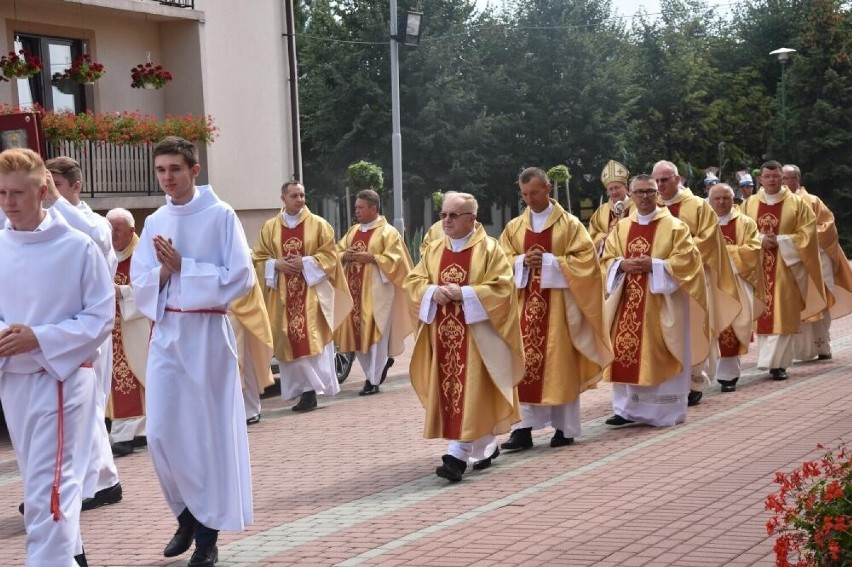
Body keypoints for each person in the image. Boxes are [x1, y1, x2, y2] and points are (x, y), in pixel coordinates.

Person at [130, 136, 254, 567]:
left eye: (175, 169)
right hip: (167, 331)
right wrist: (164, 273)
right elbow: (140, 281)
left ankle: (206, 537)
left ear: (194, 171)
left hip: (206, 334)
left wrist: (187, 268)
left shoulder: (221, 216)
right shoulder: (156, 220)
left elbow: (241, 277)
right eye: (161, 170)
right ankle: (185, 513)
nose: (167, 178)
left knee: (206, 437)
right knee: (162, 433)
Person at [0, 148, 114, 567]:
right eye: (1, 193)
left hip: (61, 380)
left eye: (17, 192)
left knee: (52, 491)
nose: (9, 202)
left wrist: (40, 339)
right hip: (14, 380)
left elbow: (101, 317)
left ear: (42, 190)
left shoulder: (76, 247)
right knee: (38, 486)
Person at [404, 192, 523, 482]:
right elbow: (414, 282)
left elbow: (504, 289)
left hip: (478, 340)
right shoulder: (434, 249)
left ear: (472, 218)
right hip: (443, 337)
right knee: (459, 396)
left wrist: (465, 293)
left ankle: (456, 457)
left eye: (454, 215)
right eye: (443, 214)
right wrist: (432, 292)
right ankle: (484, 447)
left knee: (473, 393)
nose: (446, 221)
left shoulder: (490, 249)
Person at [498, 168, 612, 451]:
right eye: (524, 194)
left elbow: (587, 264)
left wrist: (550, 262)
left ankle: (565, 428)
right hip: (525, 308)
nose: (529, 199)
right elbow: (500, 262)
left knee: (561, 366)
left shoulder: (570, 225)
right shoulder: (514, 227)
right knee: (523, 365)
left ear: (548, 188)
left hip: (560, 309)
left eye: (534, 192)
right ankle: (523, 429)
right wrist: (523, 261)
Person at [600, 174, 709, 427]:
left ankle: (664, 411)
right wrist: (621, 264)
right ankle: (625, 410)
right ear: (631, 194)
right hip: (627, 300)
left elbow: (688, 262)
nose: (645, 197)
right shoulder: (623, 227)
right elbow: (607, 259)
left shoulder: (674, 226)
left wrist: (656, 265)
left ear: (657, 194)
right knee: (624, 350)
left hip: (661, 302)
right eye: (639, 192)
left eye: (650, 191)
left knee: (661, 350)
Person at [45, 156, 122, 511]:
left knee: (88, 402)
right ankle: (83, 481)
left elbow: (92, 239)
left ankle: (103, 481)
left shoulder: (96, 222)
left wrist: (54, 201)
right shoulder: (46, 223)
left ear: (75, 186)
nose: (48, 192)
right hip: (59, 329)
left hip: (92, 328)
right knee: (64, 408)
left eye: (56, 186)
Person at [252, 181, 352, 412]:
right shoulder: (270, 227)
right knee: (288, 339)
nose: (300, 199)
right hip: (282, 297)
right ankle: (300, 390)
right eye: (295, 195)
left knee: (311, 340)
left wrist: (305, 262)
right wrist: (276, 264)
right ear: (283, 199)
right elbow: (258, 259)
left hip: (311, 296)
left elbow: (330, 256)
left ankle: (311, 391)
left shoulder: (319, 225)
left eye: (302, 195)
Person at [652, 160, 740, 406]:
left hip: (693, 278)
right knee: (664, 331)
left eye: (665, 179)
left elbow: (709, 240)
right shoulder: (652, 207)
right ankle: (666, 381)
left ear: (678, 179)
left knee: (691, 328)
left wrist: (675, 257)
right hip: (660, 279)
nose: (661, 185)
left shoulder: (699, 206)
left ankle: (694, 382)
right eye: (657, 180)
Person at [740, 160, 825, 380]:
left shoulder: (797, 204)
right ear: (760, 179)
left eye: (776, 176)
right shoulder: (749, 204)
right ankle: (768, 360)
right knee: (763, 312)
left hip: (786, 267)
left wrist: (780, 240)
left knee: (783, 313)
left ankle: (779, 365)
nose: (772, 180)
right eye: (767, 177)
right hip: (758, 267)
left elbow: (808, 235)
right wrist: (760, 239)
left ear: (782, 178)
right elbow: (741, 232)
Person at [335, 189, 414, 396]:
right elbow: (337, 251)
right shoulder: (352, 231)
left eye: (361, 208)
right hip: (354, 294)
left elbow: (398, 261)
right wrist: (346, 255)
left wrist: (373, 258)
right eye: (356, 208)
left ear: (373, 208)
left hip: (378, 295)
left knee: (377, 336)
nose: (357, 211)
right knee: (358, 338)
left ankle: (373, 380)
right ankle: (374, 372)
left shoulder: (388, 232)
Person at [782, 164, 852, 361]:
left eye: (787, 178)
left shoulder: (813, 201)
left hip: (815, 260)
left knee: (819, 300)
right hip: (788, 260)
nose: (784, 182)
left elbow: (827, 226)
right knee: (791, 303)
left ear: (797, 179)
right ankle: (795, 351)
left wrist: (802, 240)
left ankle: (822, 345)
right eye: (782, 178)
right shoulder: (777, 204)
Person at [707, 184, 764, 392]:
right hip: (708, 283)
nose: (721, 202)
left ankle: (728, 376)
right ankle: (702, 375)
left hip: (735, 283)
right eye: (717, 199)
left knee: (730, 325)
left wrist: (721, 254)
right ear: (709, 200)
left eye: (725, 198)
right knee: (707, 325)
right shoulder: (703, 223)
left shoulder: (745, 223)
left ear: (733, 200)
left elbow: (752, 250)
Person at [105, 208, 149, 457]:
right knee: (119, 379)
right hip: (112, 328)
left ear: (132, 231)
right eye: (109, 230)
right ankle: (129, 431)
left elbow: (152, 284)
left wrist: (122, 292)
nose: (113, 236)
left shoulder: (144, 253)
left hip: (137, 325)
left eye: (117, 230)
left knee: (138, 377)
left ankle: (131, 432)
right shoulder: (106, 254)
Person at [228, 279, 275, 426]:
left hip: (238, 312)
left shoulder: (238, 255)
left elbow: (245, 277)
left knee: (244, 362)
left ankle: (250, 410)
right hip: (214, 313)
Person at [588, 160, 632, 256]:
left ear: (626, 187)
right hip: (608, 257)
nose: (614, 192)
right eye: (610, 189)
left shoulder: (637, 207)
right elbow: (592, 234)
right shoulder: (602, 210)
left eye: (617, 187)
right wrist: (605, 237)